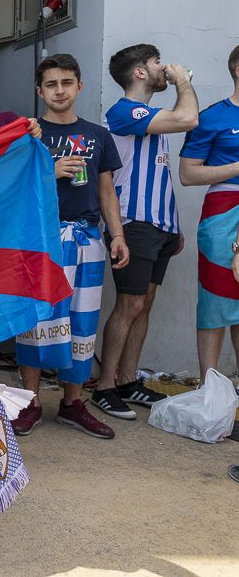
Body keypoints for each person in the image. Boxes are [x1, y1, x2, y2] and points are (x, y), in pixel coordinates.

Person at [13, 54, 130, 439]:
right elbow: (9, 187)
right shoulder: (29, 134)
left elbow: (107, 190)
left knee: (82, 322)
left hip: (86, 239)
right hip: (41, 241)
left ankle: (72, 402)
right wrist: (49, 167)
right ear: (39, 91)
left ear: (79, 86)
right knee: (34, 319)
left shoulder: (98, 135)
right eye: (51, 84)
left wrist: (117, 235)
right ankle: (29, 401)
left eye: (66, 82)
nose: (59, 90)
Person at [94, 44, 198, 420]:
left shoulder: (152, 115)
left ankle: (127, 380)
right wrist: (183, 81)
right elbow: (189, 118)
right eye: (156, 63)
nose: (163, 68)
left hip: (159, 225)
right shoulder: (125, 111)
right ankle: (105, 386)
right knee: (130, 304)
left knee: (146, 303)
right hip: (133, 222)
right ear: (139, 72)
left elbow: (157, 172)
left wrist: (173, 224)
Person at [179, 44, 239, 382]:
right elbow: (188, 174)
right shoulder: (213, 116)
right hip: (223, 211)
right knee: (216, 303)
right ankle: (211, 392)